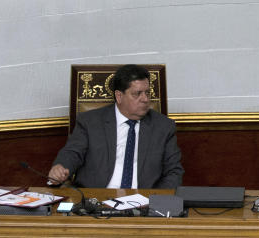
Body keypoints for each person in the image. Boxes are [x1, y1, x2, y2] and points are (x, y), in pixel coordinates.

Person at [48, 64, 183, 189]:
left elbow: (174, 171)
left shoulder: (163, 127)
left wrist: (156, 200)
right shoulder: (90, 122)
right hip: (96, 200)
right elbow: (73, 153)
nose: (145, 99)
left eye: (147, 93)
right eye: (137, 93)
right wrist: (60, 167)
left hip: (144, 202)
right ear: (119, 96)